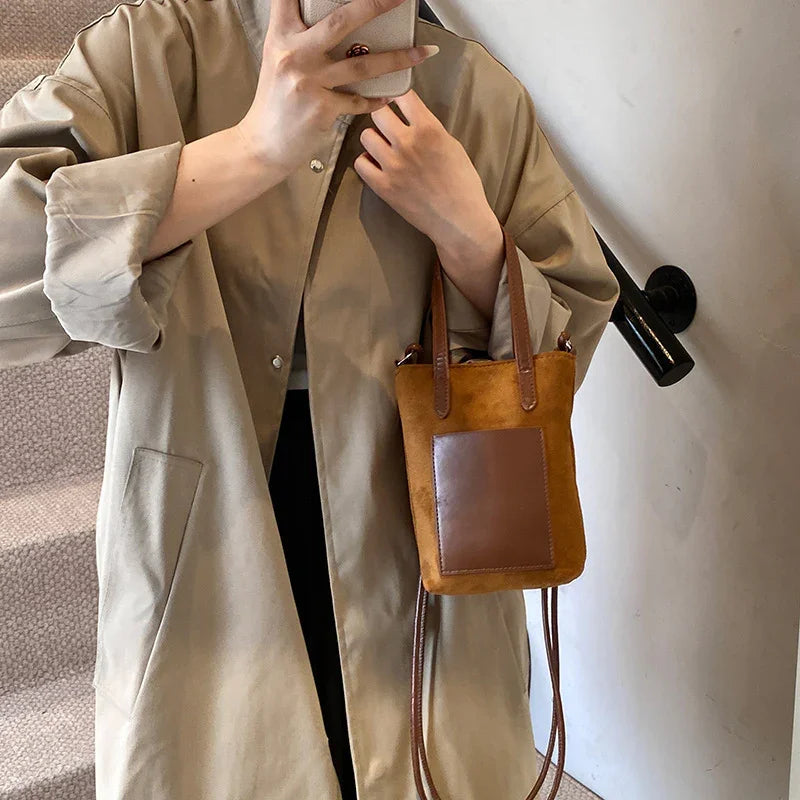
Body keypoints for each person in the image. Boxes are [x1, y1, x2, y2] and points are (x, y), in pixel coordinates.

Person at [0, 0, 621, 798]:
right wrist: (252, 150)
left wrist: (471, 235)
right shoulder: (151, 53)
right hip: (206, 546)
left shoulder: (477, 94)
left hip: (423, 541)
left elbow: (566, 343)